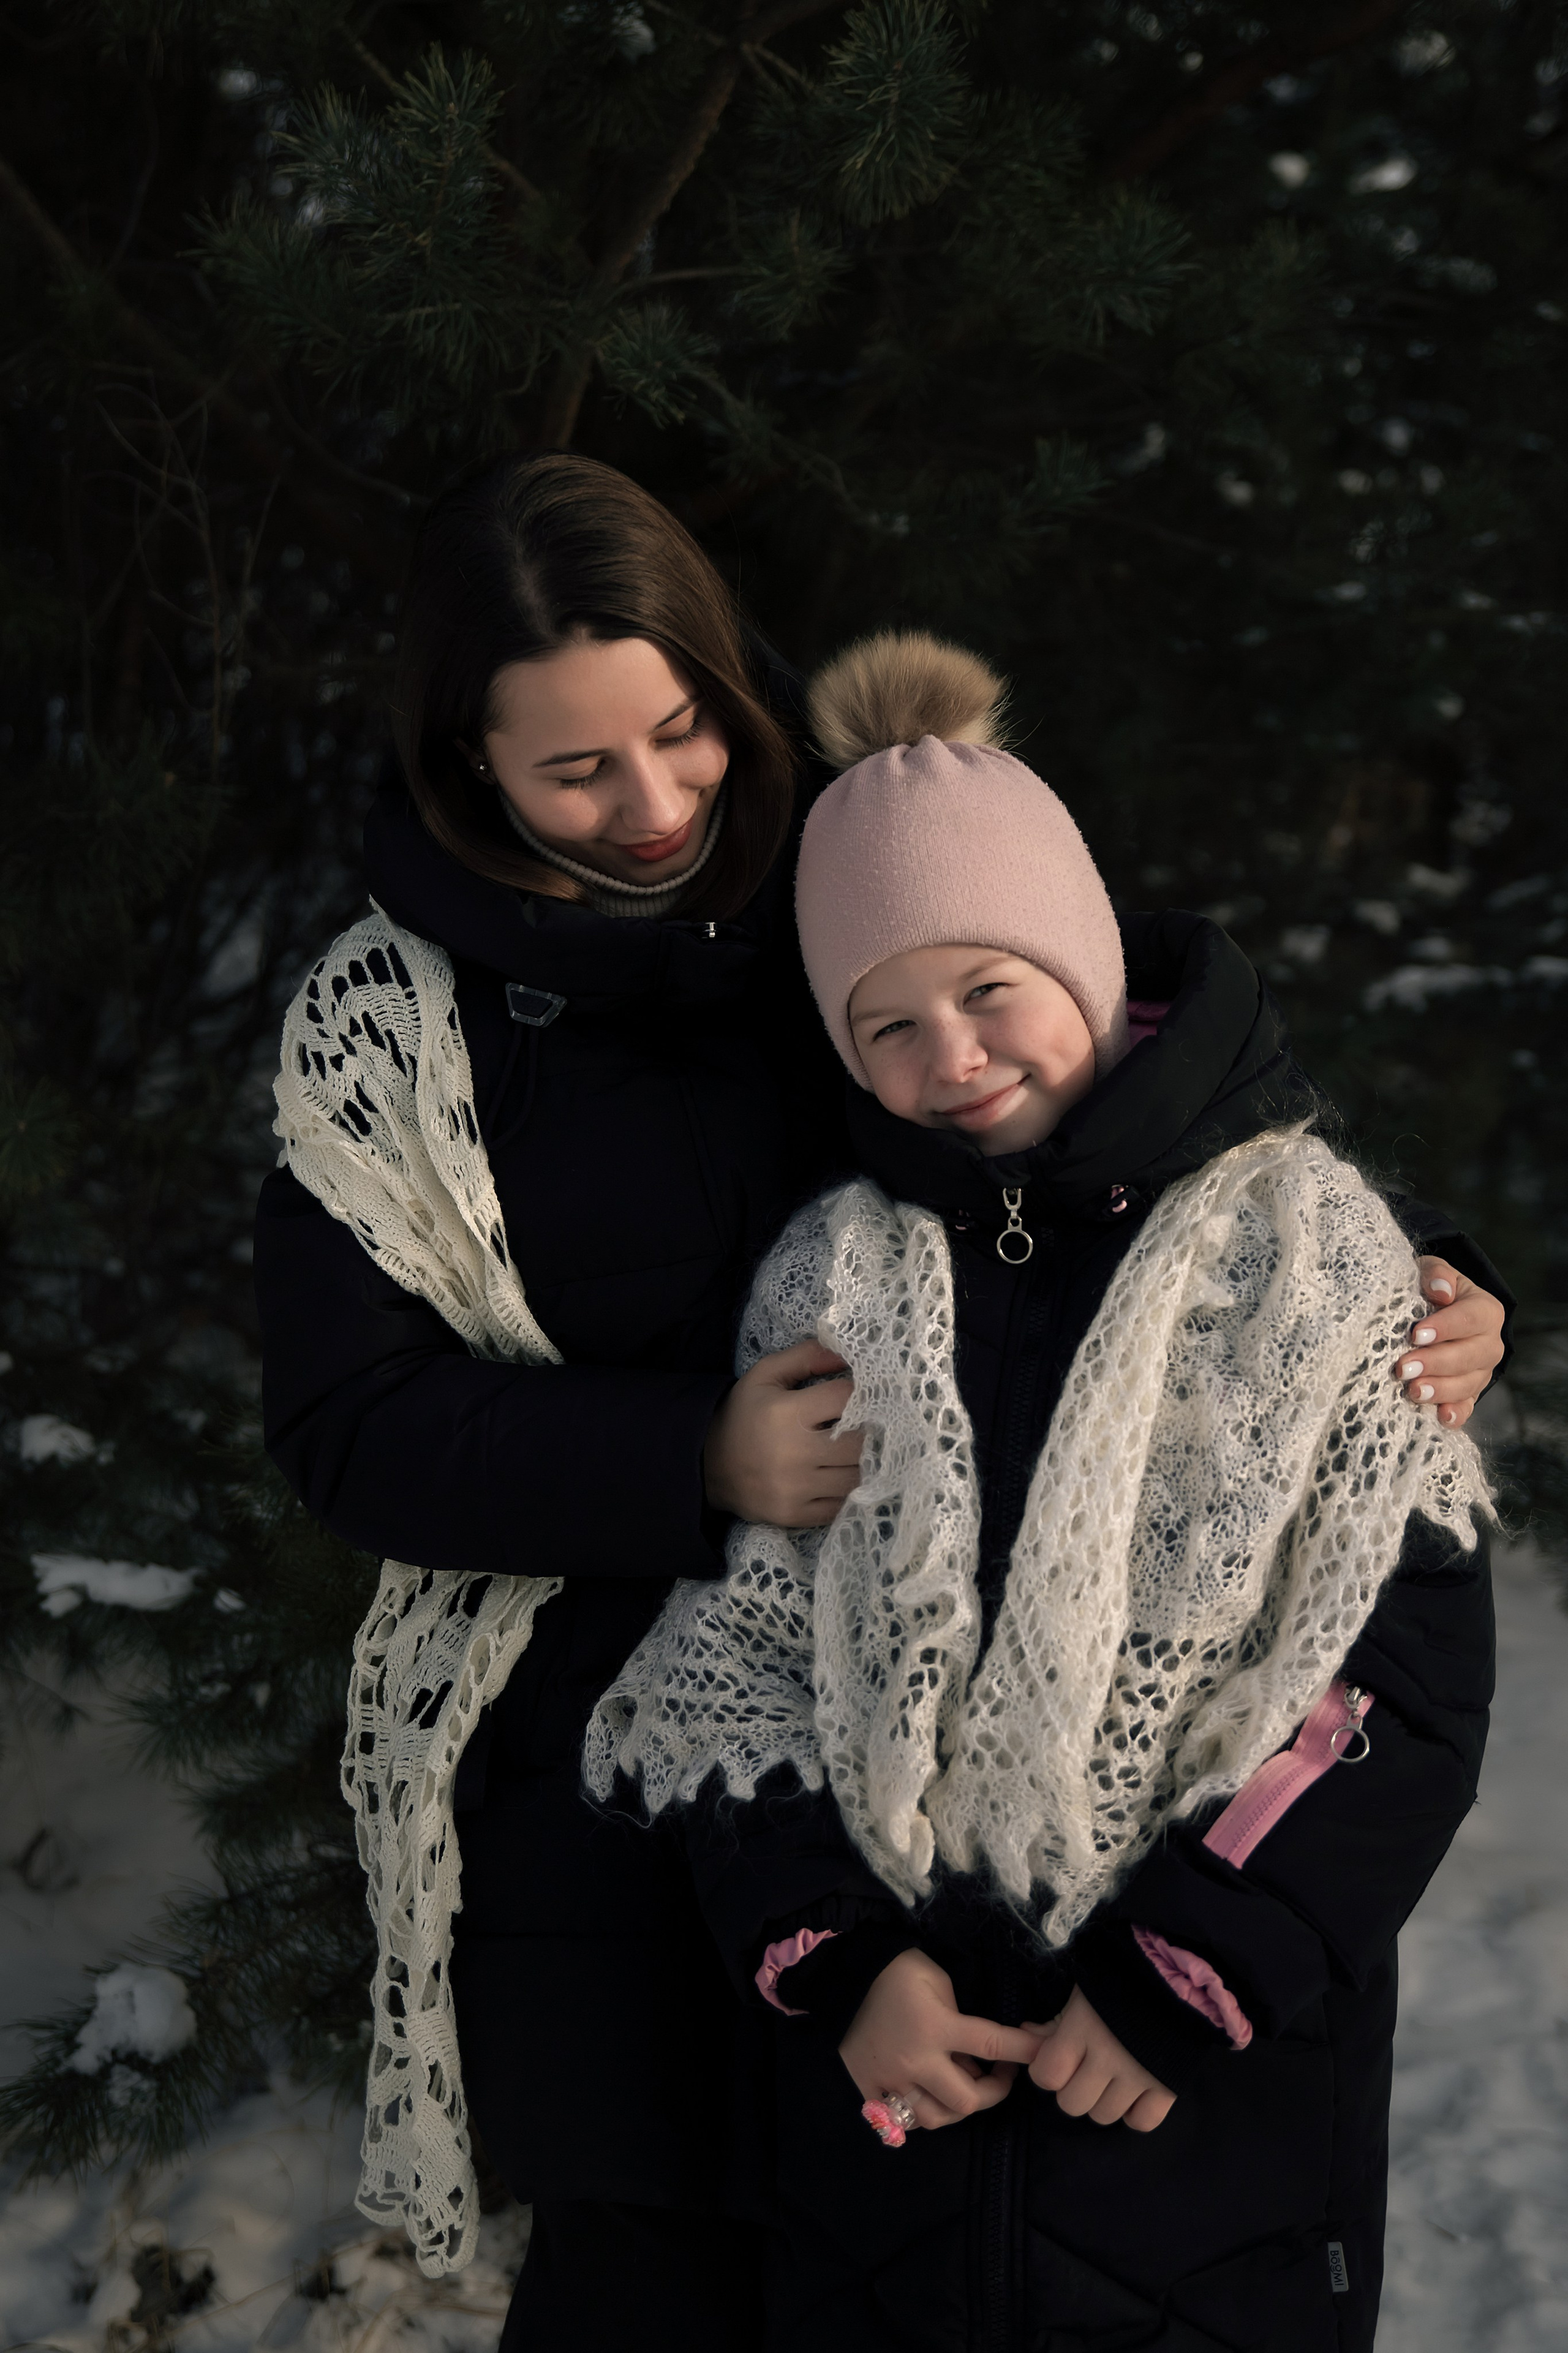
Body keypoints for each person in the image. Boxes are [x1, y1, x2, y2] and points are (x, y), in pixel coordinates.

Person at [255, 458, 1506, 2351]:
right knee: (659, 2290)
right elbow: (346, 1421)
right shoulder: (397, 1023)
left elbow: (1169, 1123)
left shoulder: (848, 873)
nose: (657, 805)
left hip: (998, 1822)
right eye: (576, 770)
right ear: (469, 761)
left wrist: (1430, 1282)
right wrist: (687, 1456)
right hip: (636, 1788)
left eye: (681, 732)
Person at [589, 632, 1503, 2352]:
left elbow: (1390, 1684)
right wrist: (842, 1962)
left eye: (992, 985)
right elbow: (740, 1654)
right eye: (890, 1022)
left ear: (1083, 955)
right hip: (893, 2126)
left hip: (1206, 2121)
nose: (953, 1052)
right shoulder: (829, 1275)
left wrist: (1191, 1972)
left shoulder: (1311, 1261)